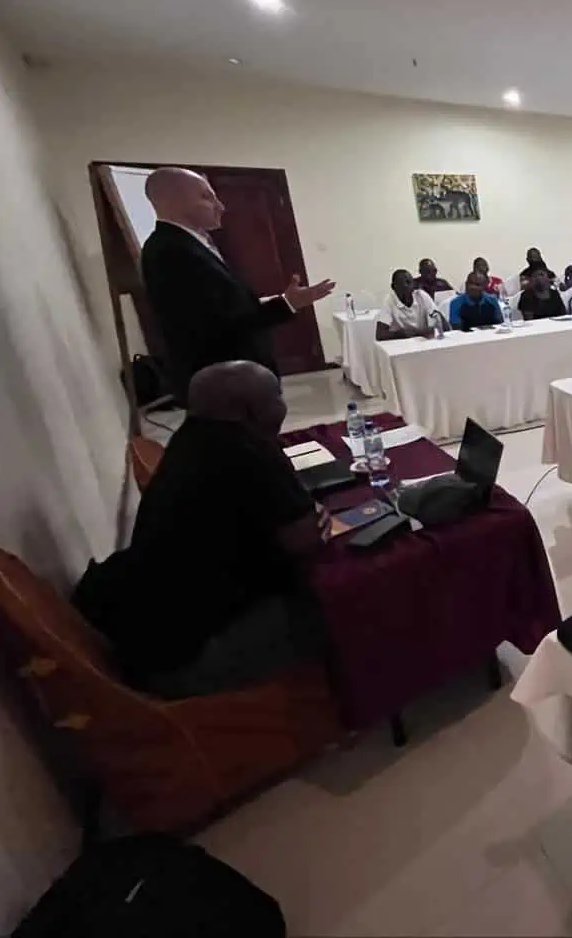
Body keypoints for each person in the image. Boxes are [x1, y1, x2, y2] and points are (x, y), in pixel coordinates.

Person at [72, 361, 328, 697]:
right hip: (191, 662)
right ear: (250, 410)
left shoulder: (190, 438)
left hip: (146, 641)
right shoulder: (247, 450)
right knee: (336, 600)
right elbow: (304, 539)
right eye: (276, 396)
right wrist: (312, 521)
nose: (284, 404)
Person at [139, 167, 335, 402]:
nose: (220, 206)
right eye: (206, 197)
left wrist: (285, 302)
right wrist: (286, 305)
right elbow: (215, 325)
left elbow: (224, 303)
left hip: (235, 374)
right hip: (224, 381)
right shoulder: (170, 252)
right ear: (172, 201)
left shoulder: (192, 243)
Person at [375, 268, 439, 341]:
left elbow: (438, 320)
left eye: (409, 282)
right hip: (401, 345)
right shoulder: (389, 300)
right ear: (393, 287)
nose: (407, 286)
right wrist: (402, 334)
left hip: (423, 343)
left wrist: (414, 333)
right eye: (401, 283)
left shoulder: (421, 295)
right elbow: (380, 334)